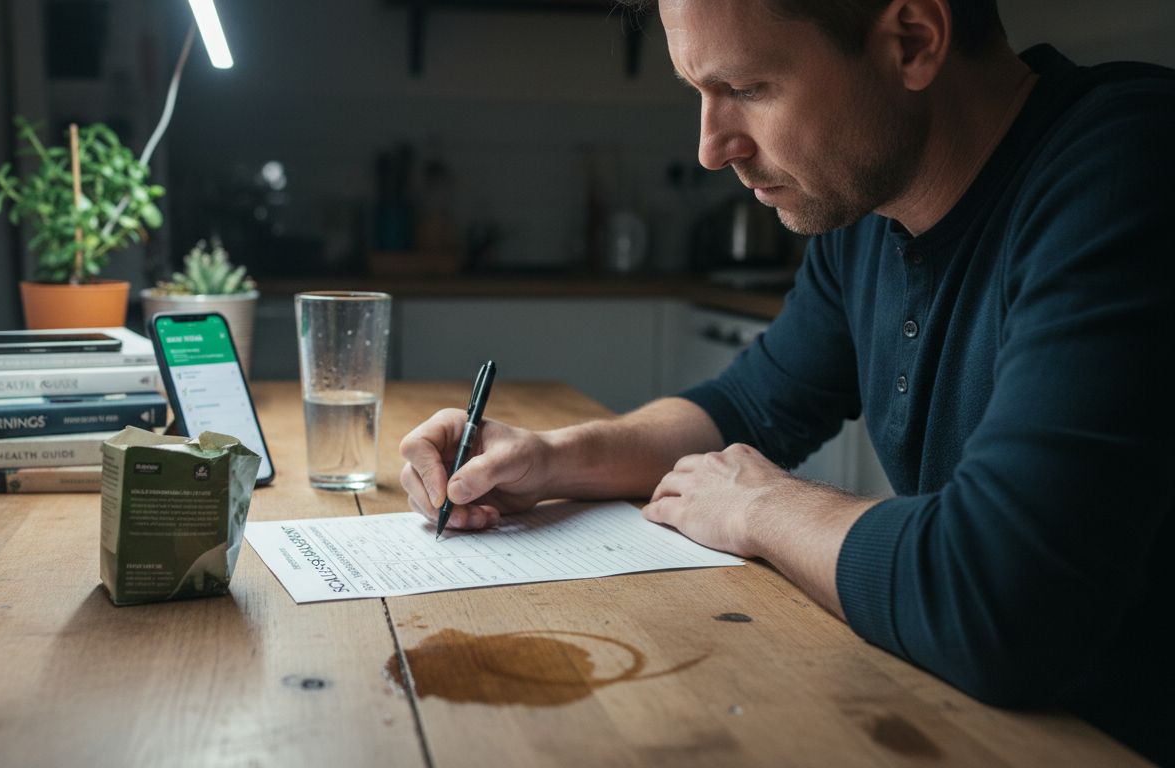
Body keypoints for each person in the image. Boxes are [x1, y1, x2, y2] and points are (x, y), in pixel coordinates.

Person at [399, 0, 1174, 761]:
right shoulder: (870, 205)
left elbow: (1000, 596)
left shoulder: (1127, 169)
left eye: (746, 88)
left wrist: (764, 507)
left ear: (912, 41)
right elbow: (750, 404)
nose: (711, 148)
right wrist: (550, 457)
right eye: (700, 93)